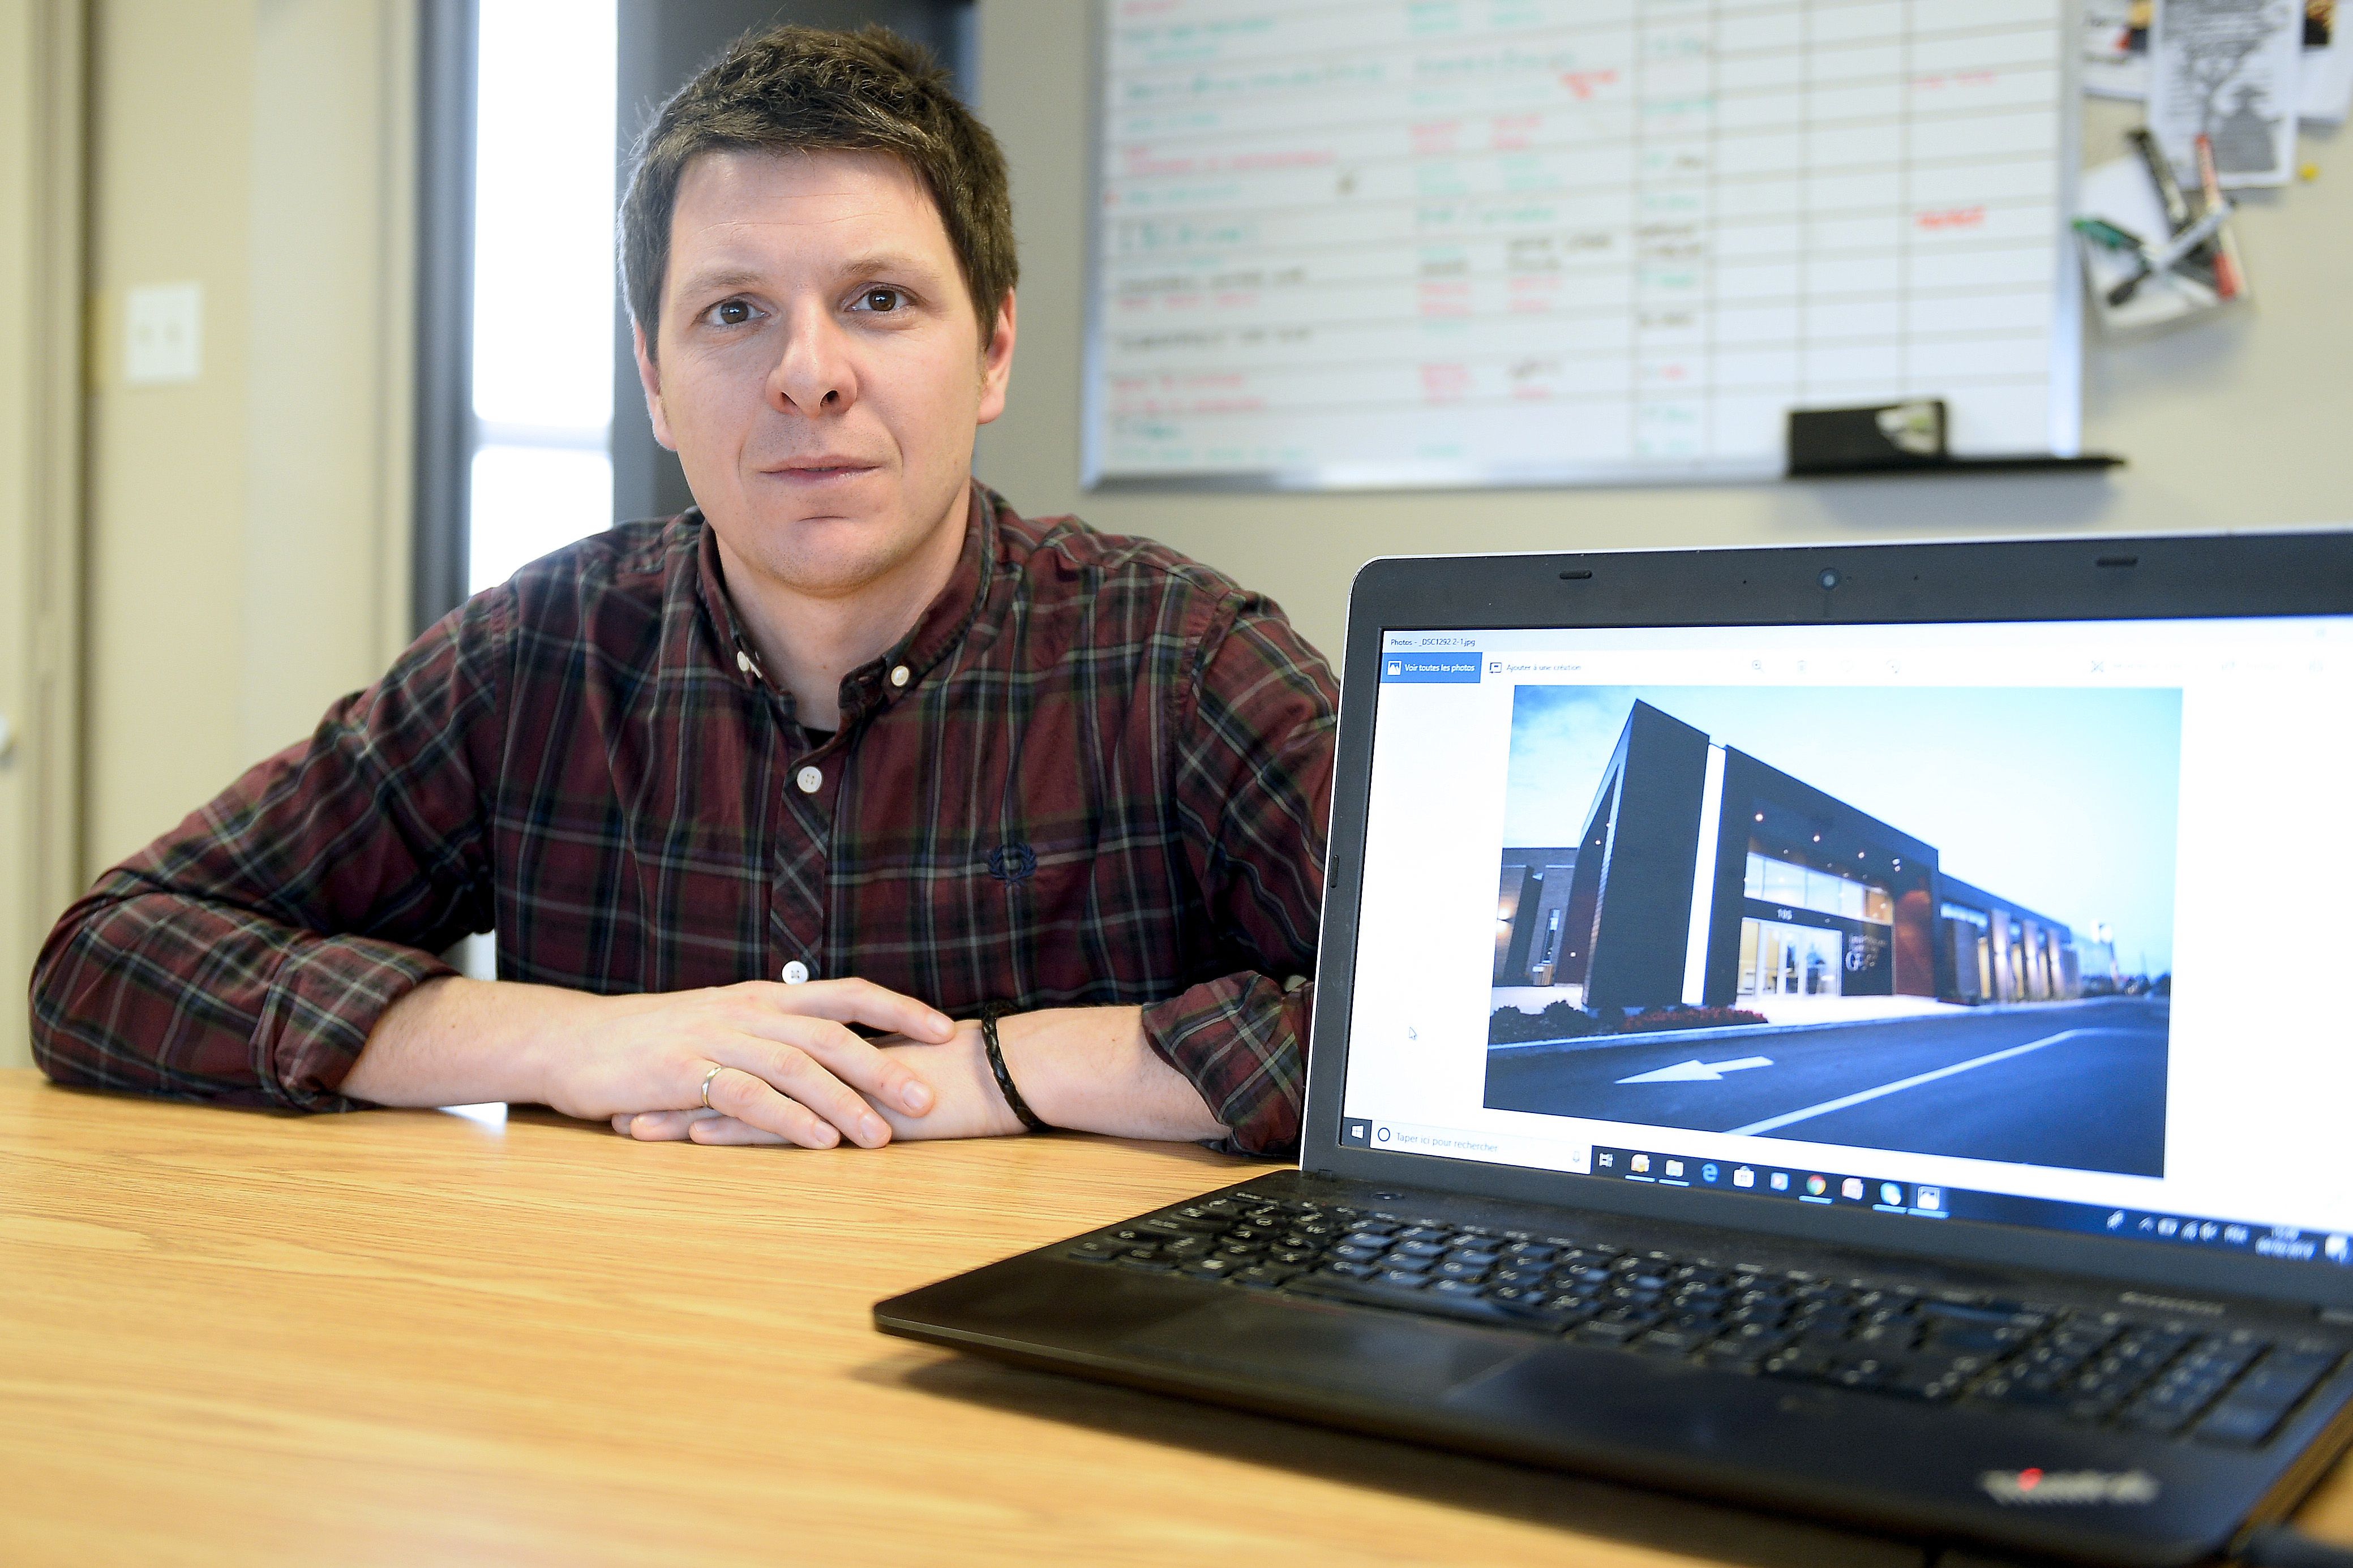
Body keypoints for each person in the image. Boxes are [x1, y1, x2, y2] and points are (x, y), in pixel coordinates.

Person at [29, 25, 1334, 1157]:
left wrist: (1009, 1069)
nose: (810, 374)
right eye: (734, 313)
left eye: (879, 299)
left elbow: (1437, 1033)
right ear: (652, 380)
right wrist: (563, 1041)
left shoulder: (1180, 661)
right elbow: (110, 958)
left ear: (992, 349)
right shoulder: (538, 656)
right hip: (631, 1343)